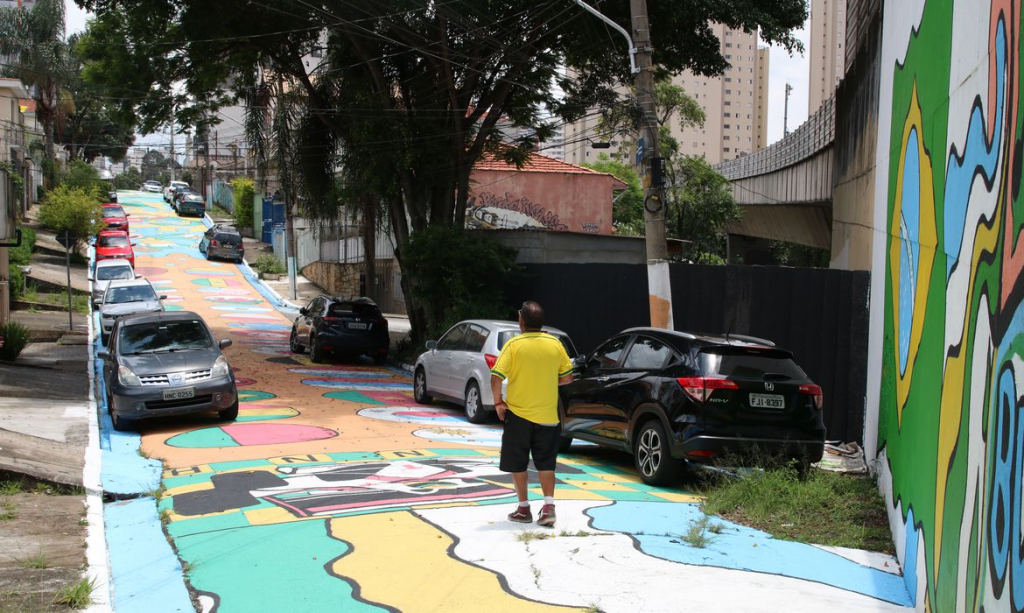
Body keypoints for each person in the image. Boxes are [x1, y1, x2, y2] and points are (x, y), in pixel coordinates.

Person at [490, 301, 573, 527]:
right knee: (546, 464)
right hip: (548, 416)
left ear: (522, 321)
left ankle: (523, 508)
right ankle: (548, 508)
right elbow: (567, 378)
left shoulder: (514, 345)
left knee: (518, 463)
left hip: (518, 415)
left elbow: (496, 376)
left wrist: (498, 402)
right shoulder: (555, 345)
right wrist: (547, 381)